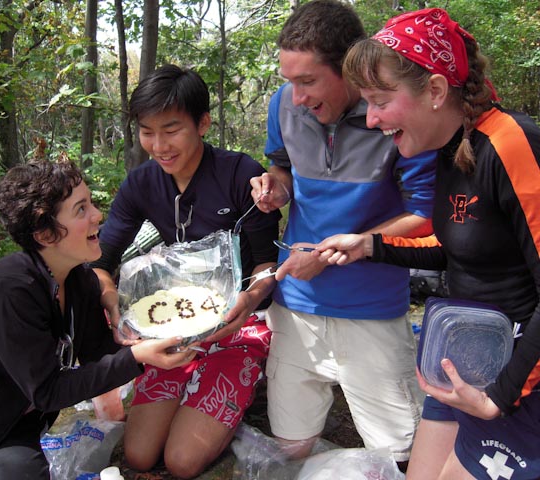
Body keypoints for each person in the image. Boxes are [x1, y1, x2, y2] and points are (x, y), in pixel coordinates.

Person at [316, 7, 540, 480]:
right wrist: (368, 245)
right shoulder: (450, 147)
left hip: (518, 375)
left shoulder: (511, 144)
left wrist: (500, 396)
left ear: (436, 91)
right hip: (466, 353)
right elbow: (461, 246)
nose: (371, 119)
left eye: (380, 100)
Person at [0, 157, 195, 480]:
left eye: (91, 203)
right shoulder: (9, 290)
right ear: (45, 234)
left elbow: (100, 357)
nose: (97, 215)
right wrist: (137, 357)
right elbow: (48, 391)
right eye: (81, 209)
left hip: (10, 427)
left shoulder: (79, 281)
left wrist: (161, 331)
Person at [248, 0, 438, 466]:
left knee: (399, 454)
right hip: (296, 302)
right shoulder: (283, 105)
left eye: (308, 81)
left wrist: (344, 250)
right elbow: (283, 167)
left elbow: (424, 214)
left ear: (350, 69)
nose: (296, 97)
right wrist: (275, 187)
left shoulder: (395, 115)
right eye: (289, 81)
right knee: (290, 446)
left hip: (370, 307)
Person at [90, 64, 281, 479]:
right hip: (172, 324)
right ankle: (190, 389)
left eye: (171, 130)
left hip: (237, 325)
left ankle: (241, 384)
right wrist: (113, 303)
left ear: (203, 123)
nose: (159, 146)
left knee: (181, 460)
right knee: (139, 455)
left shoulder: (240, 174)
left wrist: (248, 301)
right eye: (147, 132)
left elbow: (268, 264)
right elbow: (101, 263)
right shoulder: (141, 183)